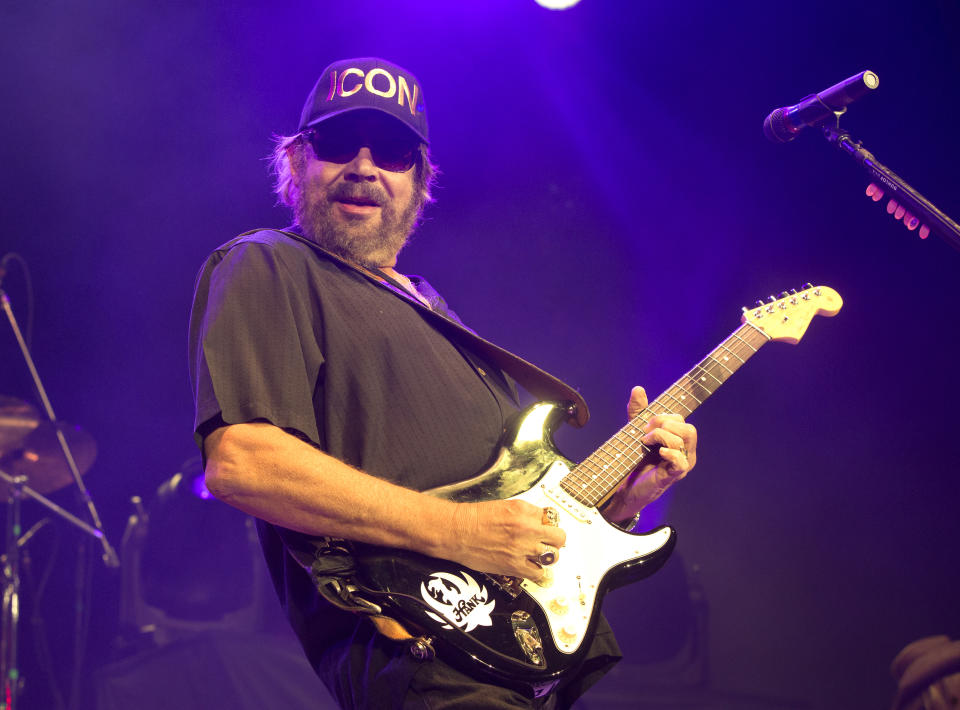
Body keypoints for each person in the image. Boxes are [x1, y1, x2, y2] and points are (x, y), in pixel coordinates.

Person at [188, 57, 698, 710]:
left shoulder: (433, 310)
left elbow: (512, 528)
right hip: (423, 663)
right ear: (295, 165)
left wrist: (622, 502)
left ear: (421, 182)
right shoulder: (270, 263)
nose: (365, 167)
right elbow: (244, 462)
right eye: (340, 144)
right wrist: (457, 530)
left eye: (395, 151)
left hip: (519, 667)